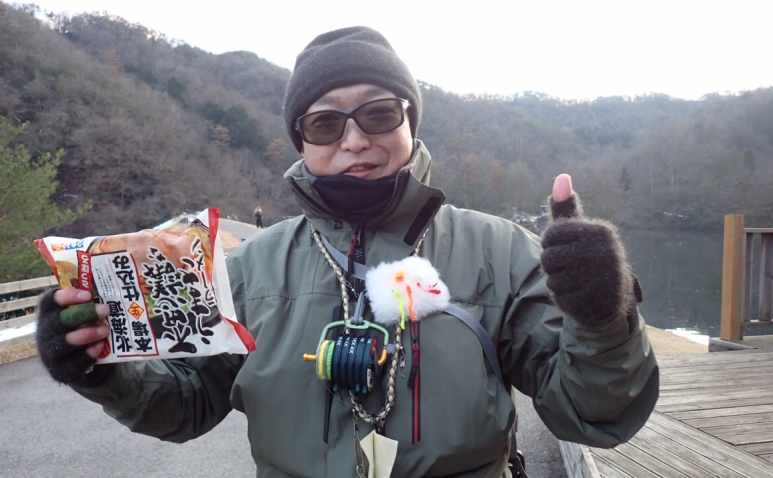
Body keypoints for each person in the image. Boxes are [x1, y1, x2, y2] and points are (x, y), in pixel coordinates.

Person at [35, 26, 658, 478]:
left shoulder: (501, 251)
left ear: (409, 122)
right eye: (326, 123)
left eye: (379, 114)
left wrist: (603, 321)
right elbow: (185, 405)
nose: (355, 140)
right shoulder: (246, 269)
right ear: (301, 140)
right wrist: (101, 369)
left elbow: (591, 413)